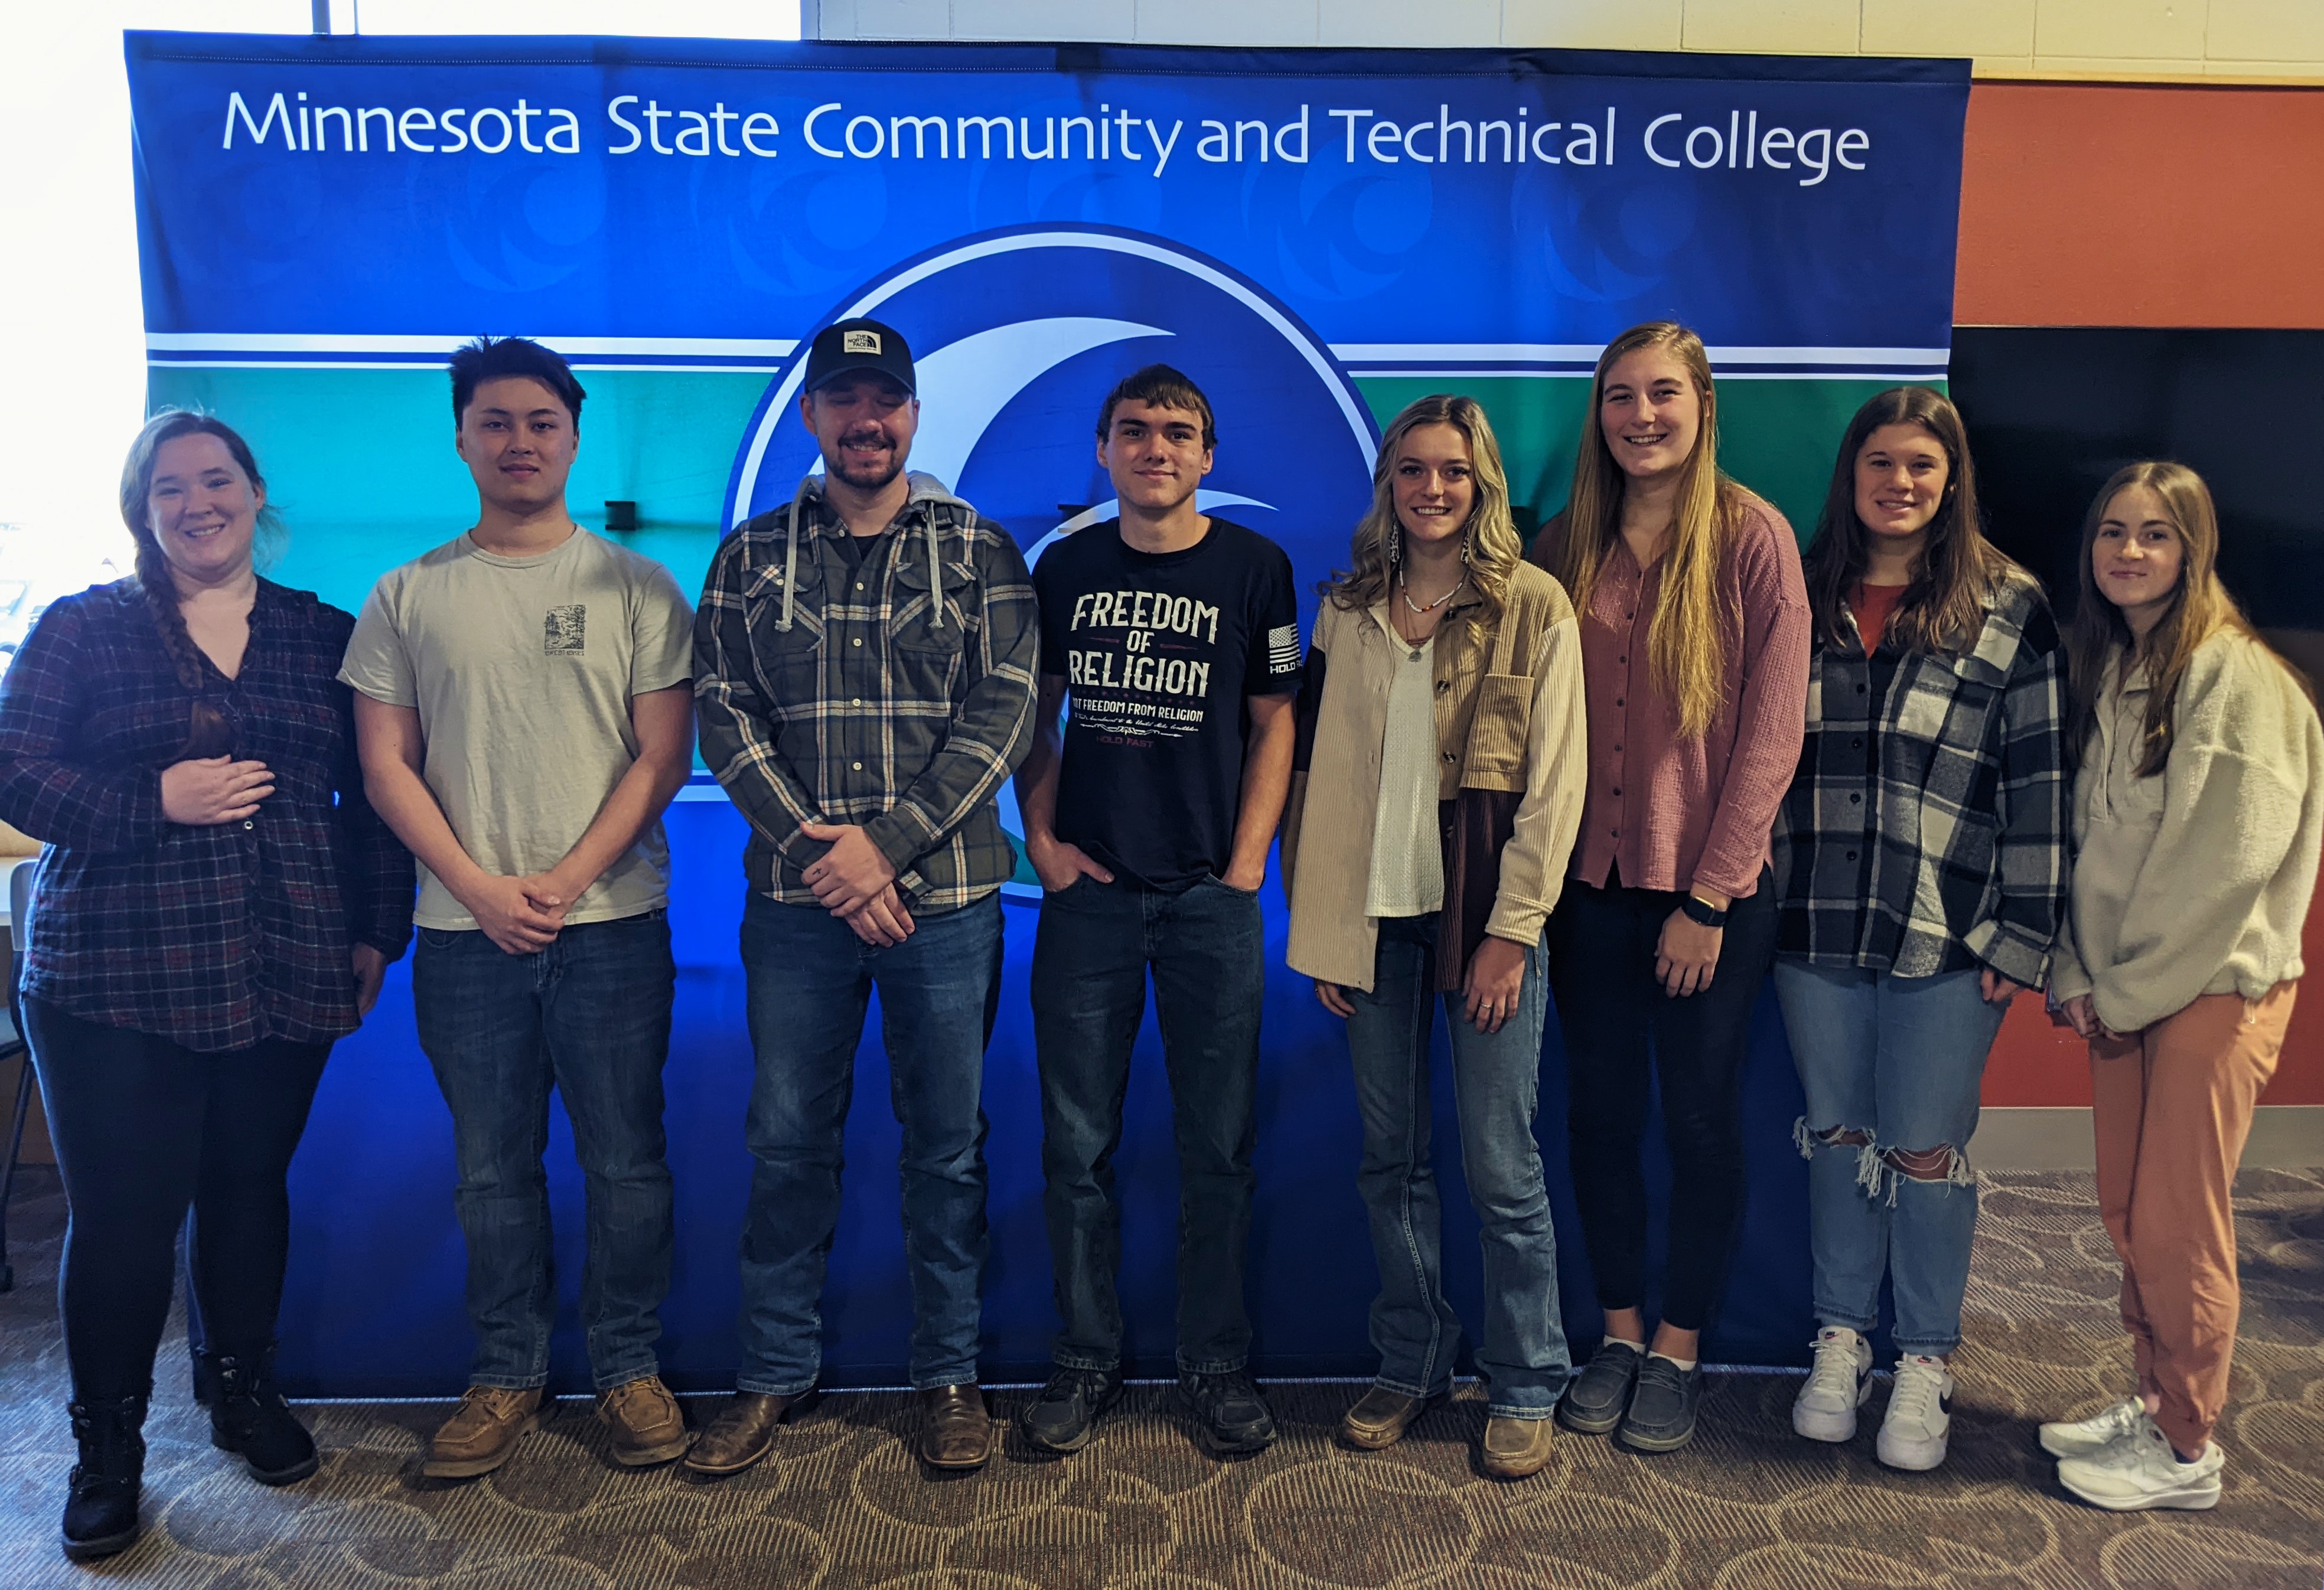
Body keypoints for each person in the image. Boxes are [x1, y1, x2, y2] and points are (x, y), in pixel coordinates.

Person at [0, 413, 413, 1561]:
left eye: (215, 480)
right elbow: (14, 770)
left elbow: (375, 792)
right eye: (169, 488)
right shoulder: (82, 631)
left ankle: (240, 1393)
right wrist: (152, 803)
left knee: (247, 1191)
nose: (197, 502)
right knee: (126, 1223)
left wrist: (379, 929)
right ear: (142, 510)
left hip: (287, 959)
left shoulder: (320, 634)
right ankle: (108, 1448)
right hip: (111, 977)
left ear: (253, 492)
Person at [342, 338, 697, 1479]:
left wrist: (564, 878)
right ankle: (505, 1372)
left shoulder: (638, 587)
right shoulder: (406, 594)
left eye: (542, 422)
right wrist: (484, 889)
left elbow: (660, 756)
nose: (520, 442)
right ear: (460, 437)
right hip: (464, 934)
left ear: (574, 437)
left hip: (613, 926)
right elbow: (386, 766)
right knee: (491, 1169)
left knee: (626, 1163)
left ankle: (630, 1365)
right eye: (495, 422)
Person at [690, 318, 1038, 1477]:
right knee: (787, 1142)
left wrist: (881, 848)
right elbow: (725, 719)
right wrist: (820, 854)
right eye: (843, 399)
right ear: (812, 416)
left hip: (946, 905)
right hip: (799, 912)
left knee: (948, 1148)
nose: (866, 420)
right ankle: (773, 1377)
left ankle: (949, 1376)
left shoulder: (978, 549)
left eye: (884, 399)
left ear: (913, 414)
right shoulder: (749, 557)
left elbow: (1004, 716)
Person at [1283, 394, 1588, 1480]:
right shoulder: (1348, 605)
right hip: (1374, 924)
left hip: (1488, 923)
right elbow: (1313, 773)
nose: (1432, 489)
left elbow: (1556, 787)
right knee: (1390, 1160)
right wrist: (1321, 924)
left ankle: (1526, 1380)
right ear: (1389, 485)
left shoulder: (1535, 604)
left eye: (1453, 471)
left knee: (1502, 1164)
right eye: (1412, 470)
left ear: (1483, 483)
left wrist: (1513, 932)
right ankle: (1413, 1359)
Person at [1771, 387, 2069, 1470]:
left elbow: (2041, 778)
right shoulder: (1804, 593)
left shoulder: (2010, 605)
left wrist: (2024, 934)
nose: (1901, 484)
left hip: (1949, 928)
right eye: (1882, 464)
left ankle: (1928, 1356)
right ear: (1852, 477)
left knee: (1926, 1151)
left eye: (1922, 467)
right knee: (1839, 1136)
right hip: (1812, 921)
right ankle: (1842, 1337)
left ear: (1952, 483)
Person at [1531, 320, 1811, 1454]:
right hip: (1586, 888)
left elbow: (1770, 735)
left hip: (1709, 897)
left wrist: (1708, 899)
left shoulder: (1755, 539)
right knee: (1598, 1116)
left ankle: (1680, 1346)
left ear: (1702, 405)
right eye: (1618, 397)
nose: (1640, 417)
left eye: (1662, 395)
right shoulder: (1564, 546)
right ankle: (1617, 1332)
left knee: (1698, 1120)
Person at [1013, 365, 1300, 1457]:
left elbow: (1276, 722)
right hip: (1090, 901)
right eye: (1135, 431)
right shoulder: (1067, 567)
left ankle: (1216, 1363)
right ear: (1102, 448)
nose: (1157, 449)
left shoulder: (1255, 569)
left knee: (1217, 1150)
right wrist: (1040, 839)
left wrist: (1244, 867)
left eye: (1180, 432)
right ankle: (1085, 1357)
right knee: (1074, 1148)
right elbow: (1033, 716)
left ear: (1209, 456)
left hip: (1206, 904)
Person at [2040, 462, 2321, 1511]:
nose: (2128, 552)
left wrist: (2121, 988)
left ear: (2194, 550)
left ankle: (2187, 1448)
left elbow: (2219, 865)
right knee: (2127, 1209)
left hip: (2208, 993)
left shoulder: (2236, 678)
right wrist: (2079, 968)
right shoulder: (2120, 665)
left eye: (2156, 535)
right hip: (2126, 992)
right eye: (2113, 531)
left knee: (2177, 1222)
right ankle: (2156, 1395)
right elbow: (2094, 845)